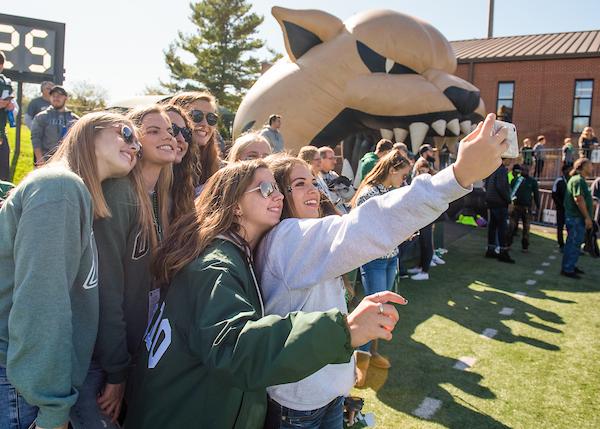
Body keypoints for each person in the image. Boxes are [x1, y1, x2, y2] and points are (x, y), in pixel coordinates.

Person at [256, 113, 508, 427]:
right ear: (279, 197)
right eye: (299, 184)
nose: (313, 191)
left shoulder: (304, 236)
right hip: (298, 407)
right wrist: (457, 175)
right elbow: (367, 224)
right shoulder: (287, 238)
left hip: (326, 396)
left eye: (311, 181)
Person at [125, 160, 407, 429]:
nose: (278, 196)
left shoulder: (234, 253)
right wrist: (345, 330)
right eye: (265, 189)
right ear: (235, 205)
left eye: (277, 187)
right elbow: (236, 349)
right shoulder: (216, 266)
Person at [0, 111, 140, 429]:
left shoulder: (73, 194)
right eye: (127, 133)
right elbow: (42, 304)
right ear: (89, 132)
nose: (135, 147)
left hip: (27, 382)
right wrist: (52, 408)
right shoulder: (59, 188)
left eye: (138, 146)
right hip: (21, 387)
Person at [70, 106, 176, 429]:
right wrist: (116, 371)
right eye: (153, 130)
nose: (169, 136)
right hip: (99, 362)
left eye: (171, 130)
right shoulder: (119, 194)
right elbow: (106, 288)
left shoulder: (160, 197)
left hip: (131, 353)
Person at [351, 150, 410, 377]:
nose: (403, 181)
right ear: (392, 170)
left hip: (389, 257)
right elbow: (365, 229)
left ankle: (370, 353)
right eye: (403, 175)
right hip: (374, 259)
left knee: (383, 311)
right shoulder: (369, 193)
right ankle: (360, 361)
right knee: (375, 310)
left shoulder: (387, 190)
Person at [169, 91, 221, 193]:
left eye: (211, 118)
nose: (205, 124)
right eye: (196, 116)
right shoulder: (166, 160)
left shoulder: (219, 168)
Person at [164, 103, 197, 223]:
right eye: (173, 130)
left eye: (185, 133)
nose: (181, 139)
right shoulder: (129, 189)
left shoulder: (183, 188)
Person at [561, 158, 594, 278]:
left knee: (575, 243)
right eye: (590, 165)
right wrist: (587, 217)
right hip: (576, 218)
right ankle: (567, 269)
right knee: (573, 243)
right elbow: (578, 199)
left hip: (576, 218)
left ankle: (570, 266)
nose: (592, 167)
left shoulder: (579, 180)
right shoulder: (578, 180)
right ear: (583, 167)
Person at [407, 158, 438, 280]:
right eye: (420, 171)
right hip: (420, 216)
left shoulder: (431, 182)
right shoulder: (417, 181)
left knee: (427, 243)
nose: (422, 173)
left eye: (424, 171)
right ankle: (420, 267)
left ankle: (425, 272)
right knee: (422, 243)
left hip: (427, 216)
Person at [31, 86, 79, 165]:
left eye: (59, 96)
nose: (56, 98)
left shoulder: (74, 119)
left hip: (67, 162)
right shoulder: (41, 116)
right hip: (46, 161)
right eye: (53, 96)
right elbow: (35, 138)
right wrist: (39, 159)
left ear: (65, 98)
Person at [485, 158, 515, 263]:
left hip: (491, 200)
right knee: (502, 228)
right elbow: (501, 187)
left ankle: (491, 249)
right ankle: (503, 252)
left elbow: (487, 183)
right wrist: (509, 200)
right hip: (499, 202)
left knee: (492, 227)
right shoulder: (501, 170)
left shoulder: (491, 167)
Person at [507, 164, 540, 252]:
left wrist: (538, 206)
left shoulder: (532, 181)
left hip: (527, 207)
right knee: (512, 226)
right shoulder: (515, 180)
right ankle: (508, 244)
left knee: (526, 228)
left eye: (526, 169)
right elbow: (510, 192)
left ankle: (525, 246)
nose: (524, 171)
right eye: (523, 169)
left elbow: (536, 194)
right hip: (516, 206)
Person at [0, 51, 18, 181]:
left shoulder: (6, 83)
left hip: (1, 133)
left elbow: (15, 108)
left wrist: (11, 107)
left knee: (3, 171)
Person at [552, 164, 571, 251]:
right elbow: (554, 194)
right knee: (560, 227)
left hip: (570, 209)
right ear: (564, 171)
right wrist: (560, 204)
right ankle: (561, 244)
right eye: (568, 170)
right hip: (561, 209)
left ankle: (569, 244)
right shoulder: (559, 181)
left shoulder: (571, 180)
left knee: (570, 227)